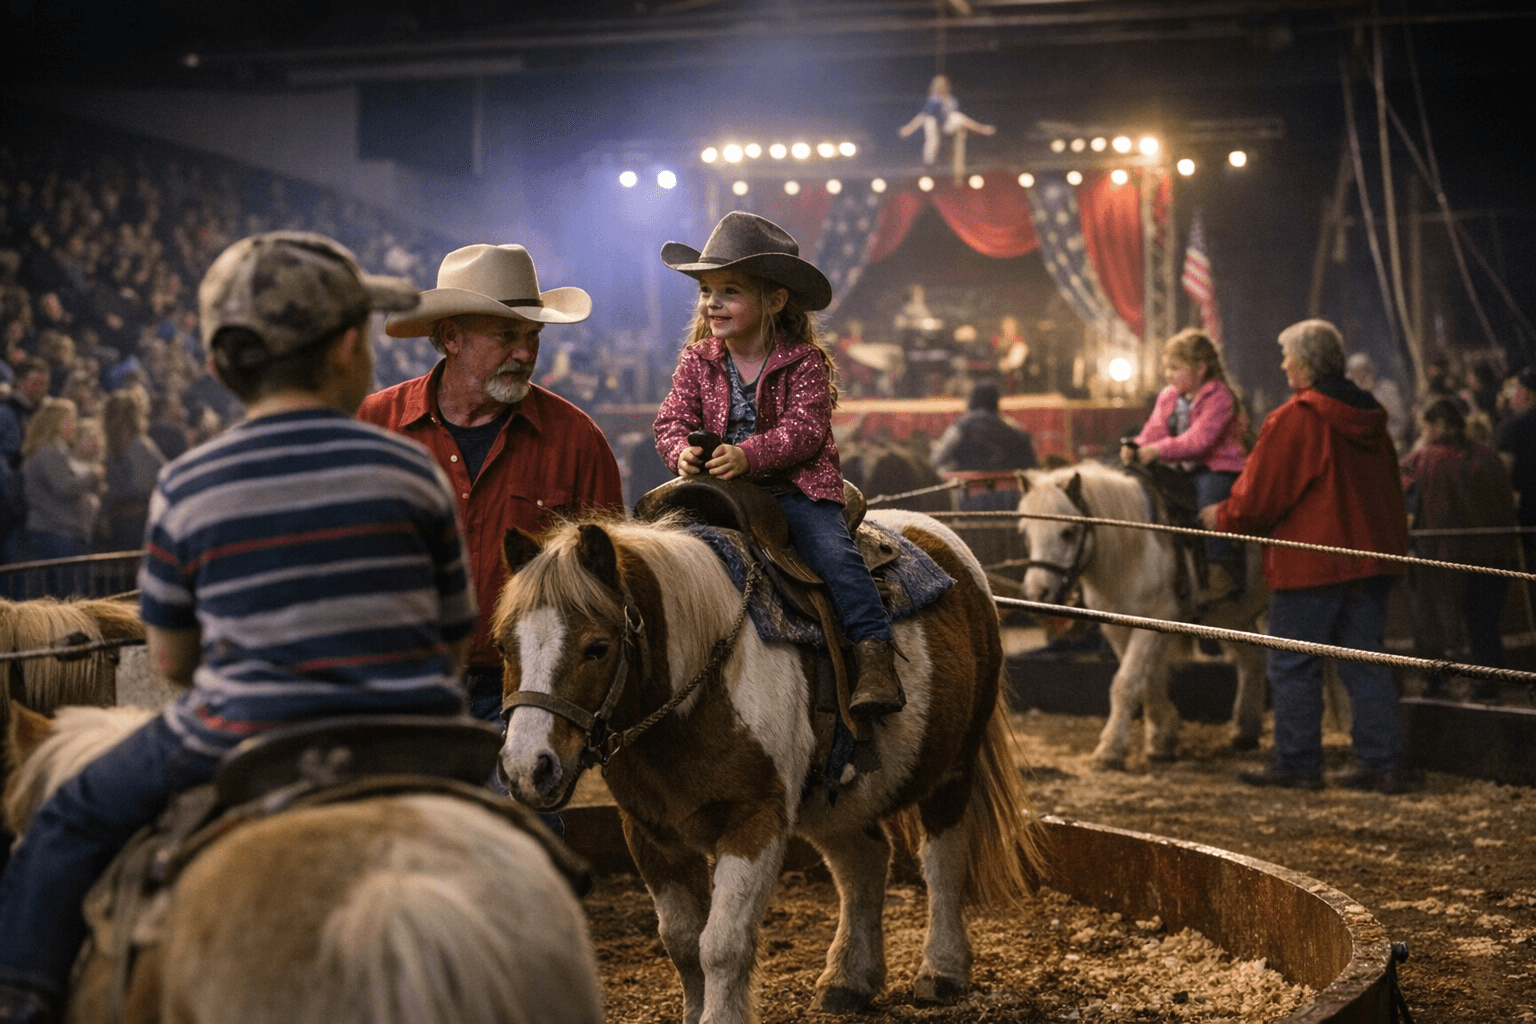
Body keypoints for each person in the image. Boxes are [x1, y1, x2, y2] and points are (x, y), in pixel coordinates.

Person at [0, 231, 478, 1023]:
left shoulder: (188, 483)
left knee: (67, 817)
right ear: (343, 354)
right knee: (531, 836)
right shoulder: (410, 469)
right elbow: (453, 637)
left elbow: (176, 661)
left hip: (240, 736)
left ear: (221, 368)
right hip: (417, 733)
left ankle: (21, 997)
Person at [357, 243, 623, 738]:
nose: (525, 353)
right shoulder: (373, 424)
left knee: (522, 816)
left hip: (521, 696)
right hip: (394, 686)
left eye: (532, 336)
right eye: (506, 336)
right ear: (451, 337)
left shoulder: (576, 440)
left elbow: (606, 585)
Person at [652, 211, 903, 720]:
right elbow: (671, 419)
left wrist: (749, 453)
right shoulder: (698, 360)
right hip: (719, 491)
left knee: (833, 553)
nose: (713, 303)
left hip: (795, 490)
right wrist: (681, 451)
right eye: (706, 291)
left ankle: (874, 652)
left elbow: (806, 431)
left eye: (730, 291)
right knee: (658, 547)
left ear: (775, 300)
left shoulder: (803, 361)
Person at [1200, 320, 1411, 794]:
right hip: (1371, 561)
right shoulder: (1372, 416)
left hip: (1311, 566)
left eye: (1288, 358)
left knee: (1294, 665)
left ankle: (1298, 763)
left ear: (1306, 366)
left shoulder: (1298, 418)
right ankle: (1383, 763)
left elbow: (1261, 499)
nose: (1283, 366)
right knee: (1365, 661)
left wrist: (1223, 516)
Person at [1402, 398, 1520, 699]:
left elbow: (1402, 493)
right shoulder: (1489, 458)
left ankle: (1436, 685)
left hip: (1446, 557)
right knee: (1485, 626)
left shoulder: (1425, 460)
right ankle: (1488, 684)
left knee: (1436, 625)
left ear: (1432, 427)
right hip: (1492, 557)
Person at [1122, 328, 1250, 598]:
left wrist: (1158, 450)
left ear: (1200, 368)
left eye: (1176, 368)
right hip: (1180, 467)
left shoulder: (1219, 397)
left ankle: (1221, 568)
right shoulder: (1169, 396)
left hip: (1216, 468)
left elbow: (1199, 440)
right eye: (1167, 368)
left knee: (1209, 507)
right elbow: (1154, 430)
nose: (1169, 374)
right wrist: (1136, 445)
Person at [19, 397, 103, 572]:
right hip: (56, 531)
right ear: (56, 422)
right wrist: (93, 477)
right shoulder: (48, 451)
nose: (74, 424)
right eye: (70, 419)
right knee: (65, 592)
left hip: (60, 529)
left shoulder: (57, 450)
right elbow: (64, 487)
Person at [931, 379, 1038, 511]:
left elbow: (936, 459)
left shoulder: (960, 428)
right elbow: (1031, 464)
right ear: (996, 402)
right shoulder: (1013, 429)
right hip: (1009, 502)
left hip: (968, 502)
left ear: (972, 401)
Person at [100, 387, 165, 550]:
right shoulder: (137, 445)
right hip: (134, 519)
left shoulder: (109, 445)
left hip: (123, 518)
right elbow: (146, 484)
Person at [897, 73, 996, 168]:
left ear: (947, 86)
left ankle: (982, 129)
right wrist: (910, 128)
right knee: (929, 121)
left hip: (946, 126)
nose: (941, 87)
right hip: (934, 126)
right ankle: (928, 161)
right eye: (938, 85)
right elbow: (923, 115)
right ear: (934, 87)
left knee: (958, 116)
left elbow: (954, 116)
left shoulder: (951, 100)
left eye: (943, 85)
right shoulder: (933, 99)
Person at [1494, 365, 1536, 565]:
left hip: (1525, 511)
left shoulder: (1513, 426)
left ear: (1526, 393)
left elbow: (1503, 472)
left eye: (1515, 387)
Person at [1344, 352, 1411, 455]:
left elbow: (1400, 422)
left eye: (1362, 373)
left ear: (1370, 372)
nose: (1360, 379)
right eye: (1355, 375)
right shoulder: (1351, 399)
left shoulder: (1387, 390)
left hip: (1391, 446)